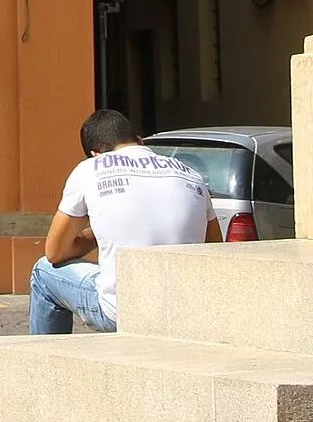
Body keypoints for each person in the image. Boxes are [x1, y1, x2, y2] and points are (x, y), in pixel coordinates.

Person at [30, 106, 210, 331]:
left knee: (43, 271)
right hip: (185, 309)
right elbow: (215, 247)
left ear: (95, 153)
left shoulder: (89, 169)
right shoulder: (191, 173)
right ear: (139, 140)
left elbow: (55, 252)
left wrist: (97, 232)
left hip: (123, 310)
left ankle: (47, 358)